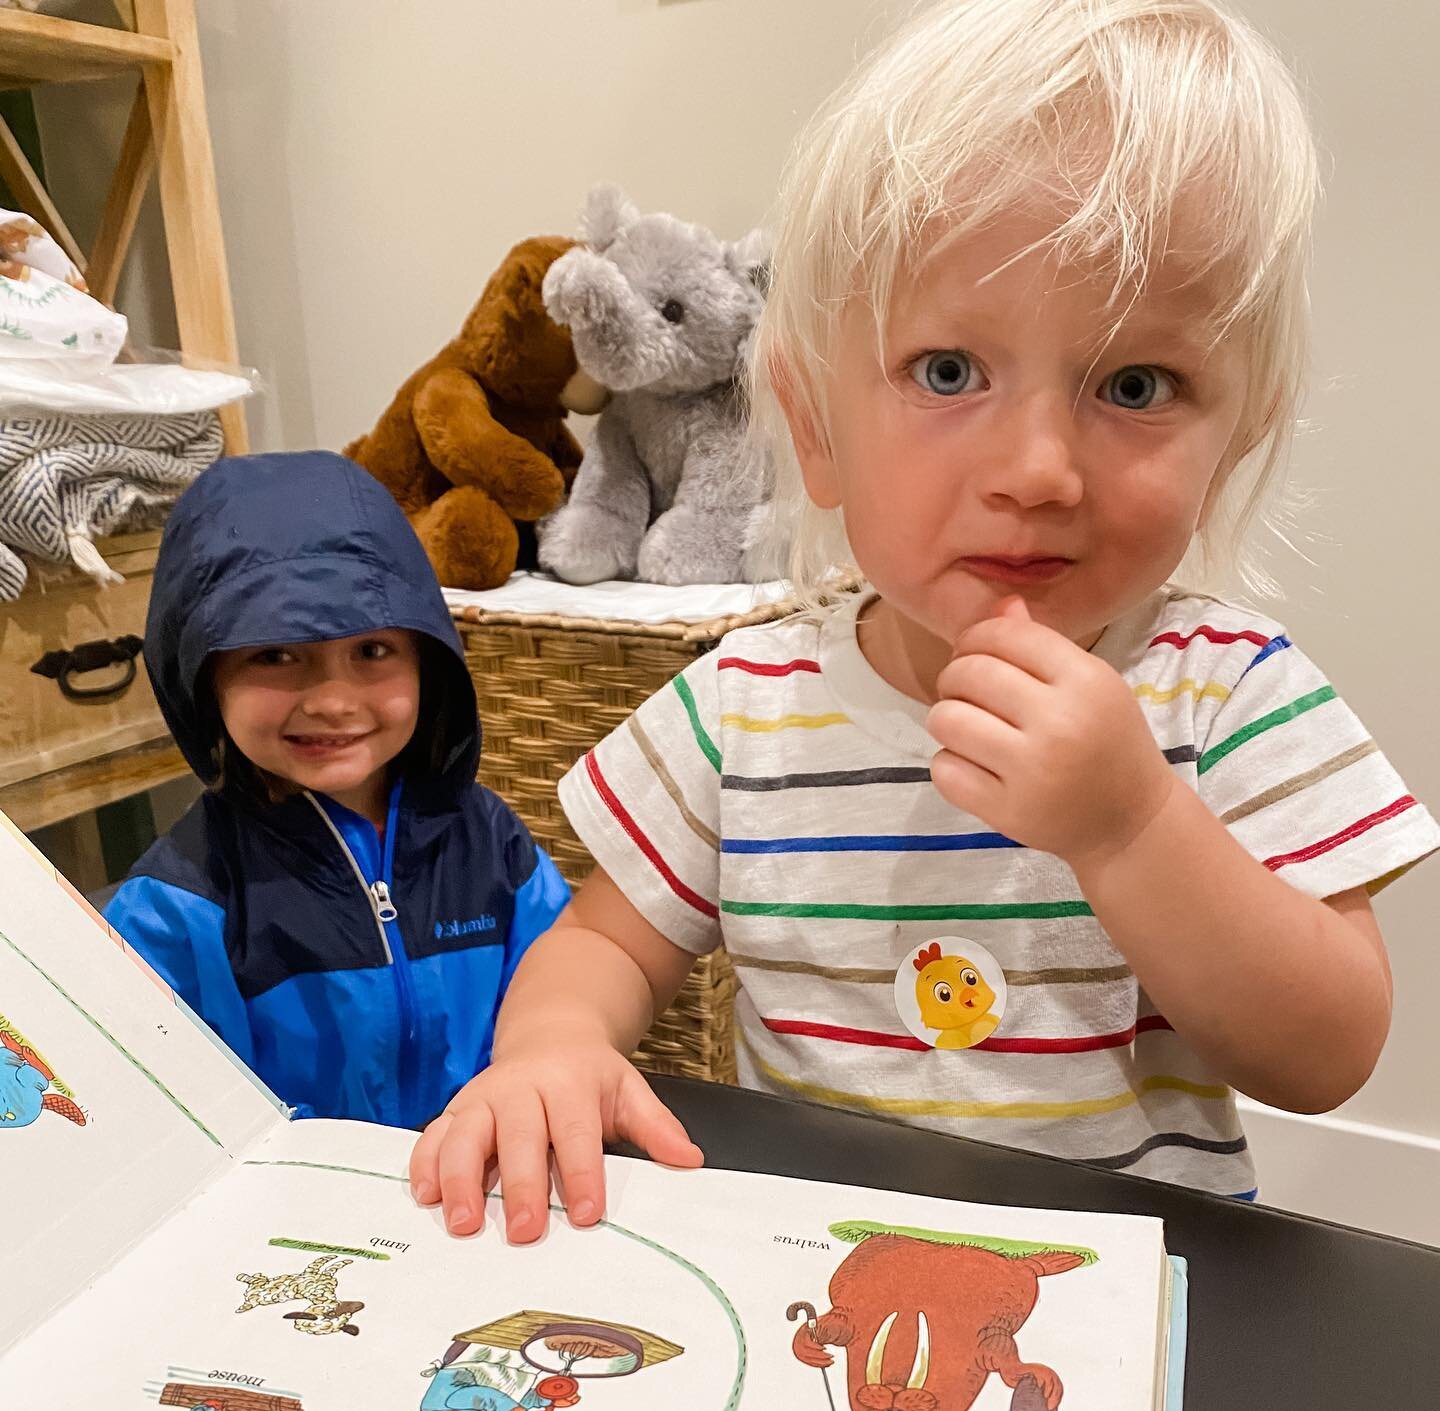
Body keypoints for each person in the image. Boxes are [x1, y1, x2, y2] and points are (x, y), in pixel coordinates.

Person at [409, 0, 1439, 1238]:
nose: (1039, 468)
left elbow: (1325, 1052)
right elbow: (609, 945)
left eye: (1136, 384)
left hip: (1125, 1300)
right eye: (949, 372)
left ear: (1235, 440)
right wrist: (554, 1046)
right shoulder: (746, 703)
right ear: (817, 422)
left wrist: (1134, 826)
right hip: (818, 1287)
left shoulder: (1223, 694)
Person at [105, 451, 569, 1127]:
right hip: (294, 1218)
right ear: (203, 673)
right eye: (274, 653)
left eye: (372, 652)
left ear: (426, 658)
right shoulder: (180, 905)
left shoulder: (488, 840)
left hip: (488, 1193)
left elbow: (565, 988)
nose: (331, 699)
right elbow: (148, 1113)